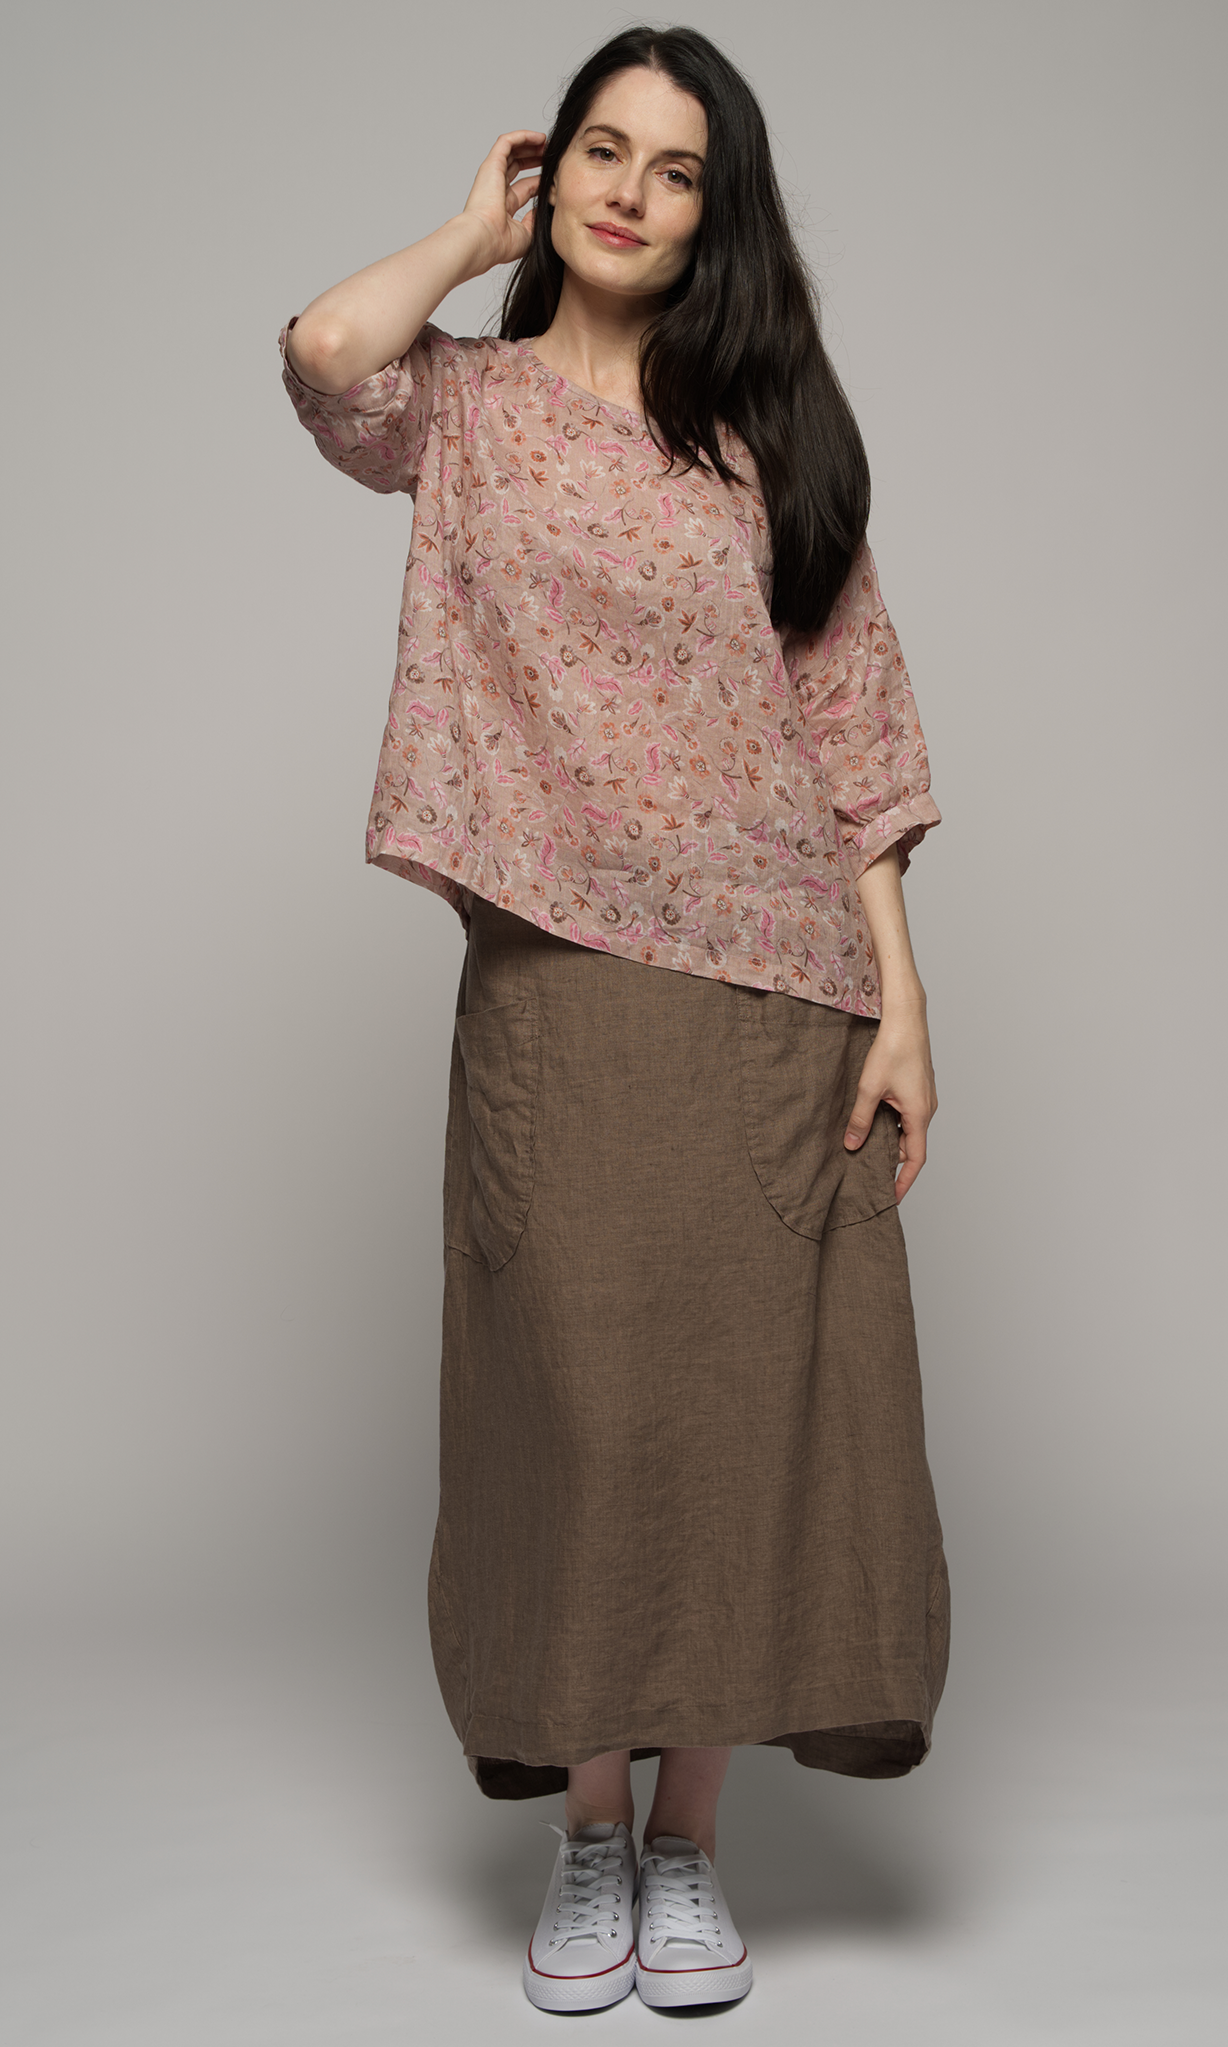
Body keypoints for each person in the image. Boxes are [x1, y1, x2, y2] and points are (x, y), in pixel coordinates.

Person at [278, 23, 948, 2016]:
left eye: (670, 164)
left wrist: (900, 1009)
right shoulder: (460, 407)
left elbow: (854, 743)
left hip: (776, 992)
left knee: (733, 1425)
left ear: (714, 210)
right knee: (573, 1412)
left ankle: (688, 1850)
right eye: (595, 147)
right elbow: (325, 355)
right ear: (545, 169)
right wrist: (463, 229)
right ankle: (586, 1835)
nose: (625, 185)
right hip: (560, 983)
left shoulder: (764, 443)